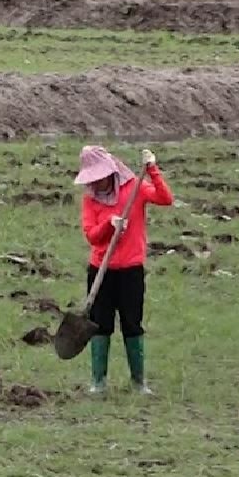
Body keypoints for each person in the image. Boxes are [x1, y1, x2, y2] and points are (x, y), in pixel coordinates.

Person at [75, 145, 174, 395]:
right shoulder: (90, 200)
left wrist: (152, 169)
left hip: (131, 270)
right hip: (101, 270)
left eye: (100, 178)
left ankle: (139, 382)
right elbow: (92, 237)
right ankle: (98, 383)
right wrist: (110, 225)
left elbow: (166, 199)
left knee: (132, 324)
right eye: (92, 180)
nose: (97, 184)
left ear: (111, 172)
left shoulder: (134, 189)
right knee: (100, 325)